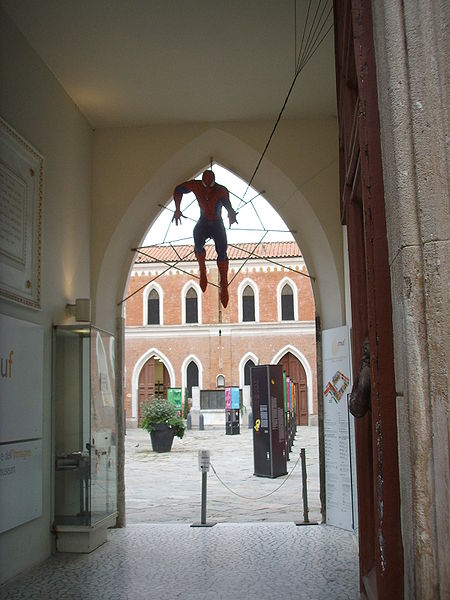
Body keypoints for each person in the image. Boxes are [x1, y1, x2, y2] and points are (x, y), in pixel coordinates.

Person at [172, 170, 237, 308]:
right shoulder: (196, 186)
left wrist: (231, 214)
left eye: (210, 186)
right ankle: (202, 269)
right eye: (205, 186)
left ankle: (224, 283)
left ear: (214, 183)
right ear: (202, 182)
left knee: (222, 250)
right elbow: (178, 189)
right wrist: (177, 208)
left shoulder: (221, 190)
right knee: (197, 238)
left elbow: (228, 205)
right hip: (203, 221)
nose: (207, 190)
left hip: (217, 223)